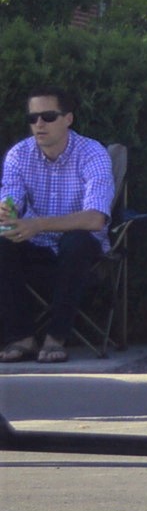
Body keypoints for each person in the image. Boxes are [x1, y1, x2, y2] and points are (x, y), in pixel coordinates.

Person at [0, 88, 114, 365]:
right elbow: (10, 203)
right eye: (33, 118)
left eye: (48, 116)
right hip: (35, 245)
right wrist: (6, 213)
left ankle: (56, 337)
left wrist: (38, 224)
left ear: (68, 119)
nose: (39, 124)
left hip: (82, 252)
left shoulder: (92, 153)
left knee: (77, 241)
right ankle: (21, 336)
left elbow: (95, 218)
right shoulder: (19, 155)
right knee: (2, 243)